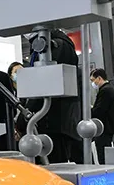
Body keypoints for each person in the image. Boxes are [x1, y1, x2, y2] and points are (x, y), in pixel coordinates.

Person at [20, 29, 82, 163]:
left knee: (54, 166)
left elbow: (43, 84)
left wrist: (24, 114)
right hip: (58, 122)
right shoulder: (57, 45)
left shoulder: (55, 46)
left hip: (54, 122)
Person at [90, 68, 114, 164]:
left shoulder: (105, 90)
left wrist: (89, 111)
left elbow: (100, 110)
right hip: (107, 127)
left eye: (93, 80)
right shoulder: (109, 88)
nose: (93, 83)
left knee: (102, 154)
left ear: (99, 78)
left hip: (104, 127)